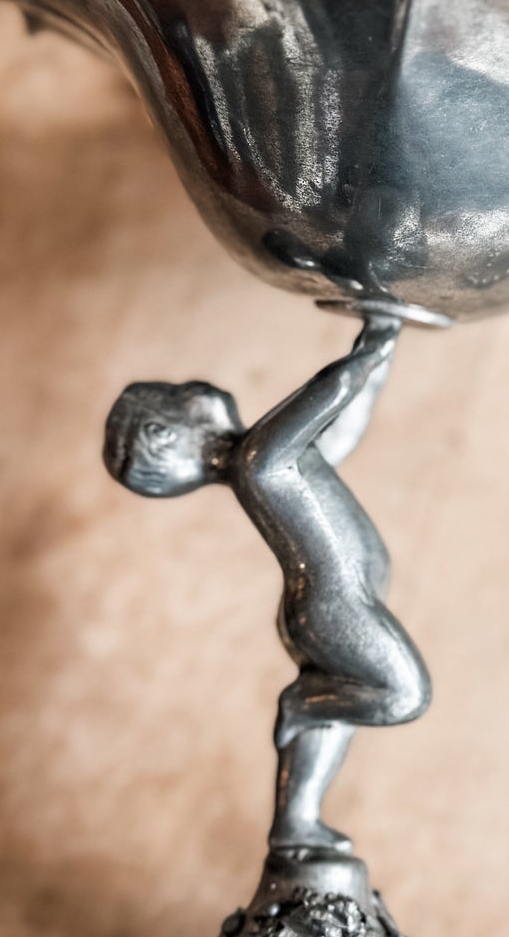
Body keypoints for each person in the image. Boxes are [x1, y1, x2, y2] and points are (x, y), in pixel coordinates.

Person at [102, 314, 431, 853]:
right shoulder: (260, 462)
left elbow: (347, 419)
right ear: (165, 434)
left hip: (329, 611)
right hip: (333, 610)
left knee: (340, 716)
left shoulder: (279, 461)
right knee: (403, 696)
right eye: (177, 393)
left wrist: (381, 341)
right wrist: (373, 340)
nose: (194, 387)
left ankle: (296, 821)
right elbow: (333, 390)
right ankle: (300, 704)